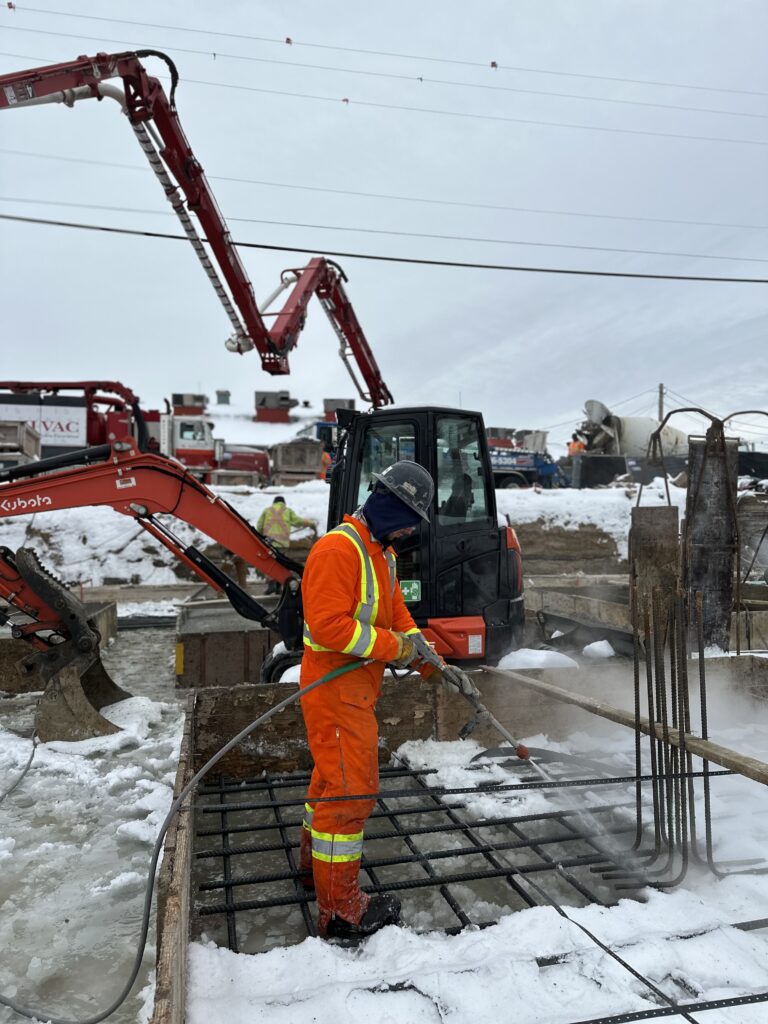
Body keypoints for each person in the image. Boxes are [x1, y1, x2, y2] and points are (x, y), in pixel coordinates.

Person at [298, 460, 478, 941]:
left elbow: (397, 615)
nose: (409, 528)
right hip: (333, 690)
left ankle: (311, 869)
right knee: (351, 792)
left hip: (354, 690)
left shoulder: (382, 553)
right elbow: (328, 626)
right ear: (386, 501)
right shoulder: (339, 549)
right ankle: (340, 912)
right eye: (408, 516)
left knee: (329, 784)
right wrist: (397, 649)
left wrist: (432, 661)